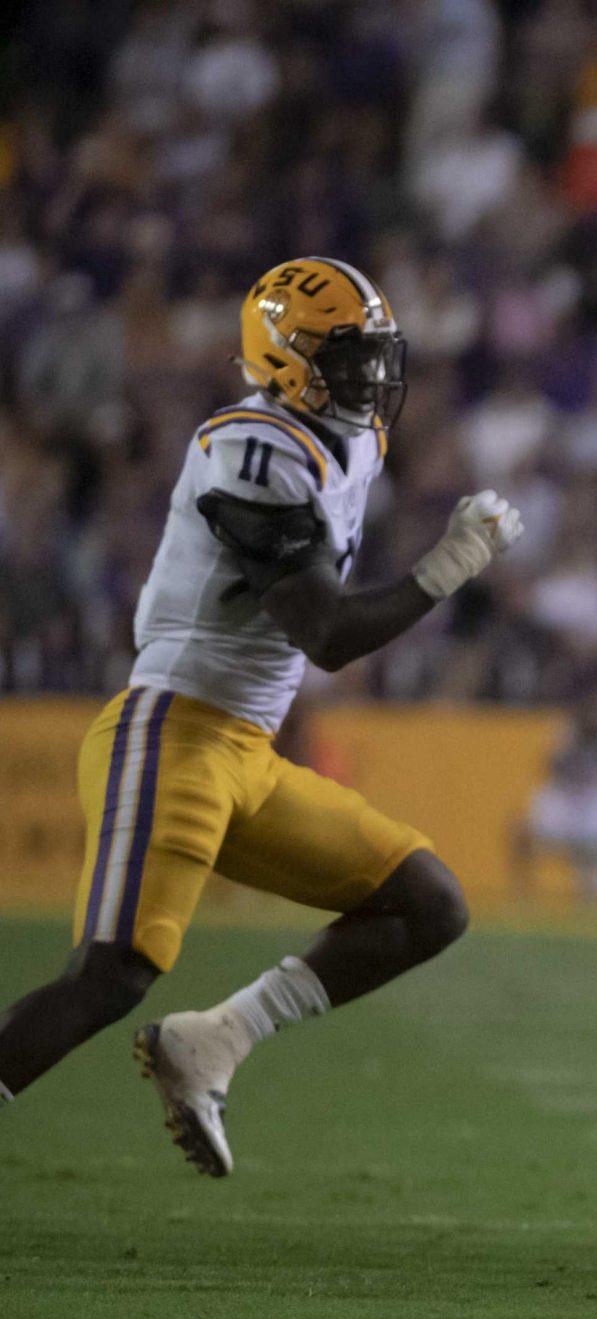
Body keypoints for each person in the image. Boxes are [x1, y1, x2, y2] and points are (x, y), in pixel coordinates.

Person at [0, 258, 523, 1176]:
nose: (371, 380)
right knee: (111, 973)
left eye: (375, 358)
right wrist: (447, 569)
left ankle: (216, 1039)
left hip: (245, 748)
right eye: (347, 359)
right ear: (284, 360)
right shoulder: (252, 449)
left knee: (426, 904)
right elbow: (325, 632)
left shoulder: (348, 440)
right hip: (172, 733)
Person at [514, 694, 597, 904]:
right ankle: (523, 898)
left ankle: (593, 900)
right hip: (568, 798)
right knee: (521, 832)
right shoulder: (566, 732)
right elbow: (551, 767)